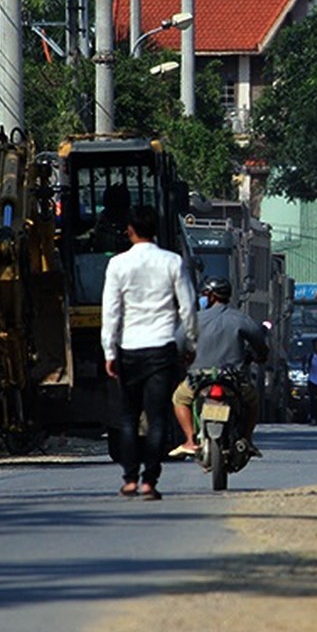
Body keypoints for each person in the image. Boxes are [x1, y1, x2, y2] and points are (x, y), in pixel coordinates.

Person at [102, 205, 198, 500]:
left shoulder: (117, 264)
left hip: (129, 349)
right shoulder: (172, 261)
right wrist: (191, 344)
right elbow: (188, 307)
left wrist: (109, 350)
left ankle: (129, 479)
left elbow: (111, 311)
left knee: (129, 417)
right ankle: (149, 482)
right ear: (156, 229)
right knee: (158, 417)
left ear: (130, 231)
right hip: (162, 347)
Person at [169, 276, 269, 459]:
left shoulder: (194, 319)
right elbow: (259, 343)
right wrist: (260, 356)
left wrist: (183, 358)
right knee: (253, 402)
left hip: (198, 378)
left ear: (212, 296)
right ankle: (247, 440)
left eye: (205, 294)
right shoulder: (240, 318)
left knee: (179, 399)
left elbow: (177, 344)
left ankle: (190, 441)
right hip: (234, 379)